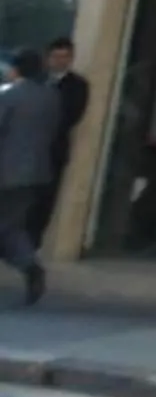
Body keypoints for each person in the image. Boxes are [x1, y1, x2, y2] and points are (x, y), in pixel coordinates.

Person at [0, 52, 57, 304]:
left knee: (8, 226)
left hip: (6, 171)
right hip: (36, 172)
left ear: (16, 70)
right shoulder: (51, 97)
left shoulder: (11, 97)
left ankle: (29, 265)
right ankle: (30, 265)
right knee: (12, 225)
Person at [27, 39, 86, 250]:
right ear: (48, 58)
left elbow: (72, 115)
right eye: (56, 57)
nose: (60, 62)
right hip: (26, 150)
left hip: (53, 151)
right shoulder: (36, 80)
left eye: (65, 57)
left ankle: (32, 242)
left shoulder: (78, 85)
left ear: (71, 59)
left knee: (45, 199)